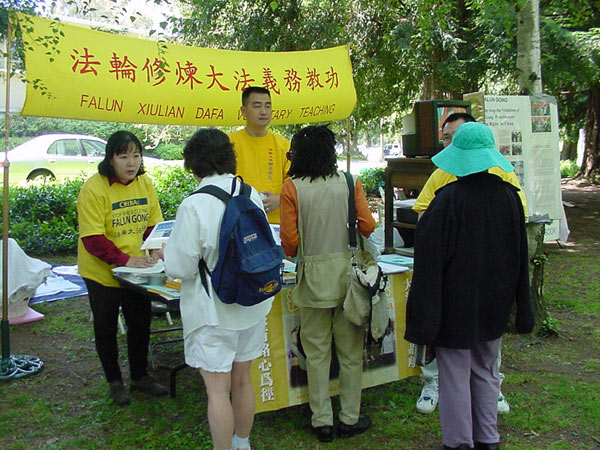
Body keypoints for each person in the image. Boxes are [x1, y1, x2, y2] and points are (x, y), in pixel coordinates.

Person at [405, 122, 535, 450]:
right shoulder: (510, 197)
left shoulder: (446, 201)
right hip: (496, 301)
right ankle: (488, 439)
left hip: (455, 305)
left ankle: (459, 442)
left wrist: (424, 313)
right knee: (487, 369)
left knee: (454, 374)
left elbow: (428, 265)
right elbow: (520, 255)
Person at [161, 129, 272, 450]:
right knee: (243, 380)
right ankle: (242, 443)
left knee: (217, 391)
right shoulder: (249, 193)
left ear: (194, 165)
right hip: (252, 301)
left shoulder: (194, 205)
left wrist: (166, 252)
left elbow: (180, 268)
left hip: (213, 310)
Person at [280, 125, 376, 443]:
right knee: (350, 353)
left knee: (317, 353)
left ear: (299, 155)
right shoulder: (349, 182)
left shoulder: (292, 188)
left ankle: (322, 420)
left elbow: (290, 243)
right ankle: (350, 418)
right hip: (348, 281)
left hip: (312, 281)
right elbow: (368, 225)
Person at [77, 130, 168, 406]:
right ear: (110, 159)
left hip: (138, 271)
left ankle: (140, 376)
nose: (131, 163)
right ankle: (114, 382)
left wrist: (154, 249)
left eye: (136, 155)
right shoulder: (94, 188)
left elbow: (153, 224)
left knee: (140, 322)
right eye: (123, 156)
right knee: (105, 327)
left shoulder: (144, 183)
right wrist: (126, 259)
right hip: (102, 272)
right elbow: (93, 239)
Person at [229, 86, 290, 224]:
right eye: (257, 106)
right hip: (239, 222)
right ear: (243, 111)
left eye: (267, 106)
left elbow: (295, 183)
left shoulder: (283, 145)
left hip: (275, 223)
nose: (263, 111)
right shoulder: (229, 143)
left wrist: (280, 199)